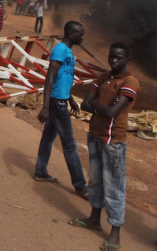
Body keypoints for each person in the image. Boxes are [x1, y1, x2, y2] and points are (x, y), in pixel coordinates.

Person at [69, 42, 139, 251]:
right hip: (95, 136)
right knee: (96, 180)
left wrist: (98, 106)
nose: (114, 61)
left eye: (119, 58)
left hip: (113, 141)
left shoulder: (130, 82)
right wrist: (103, 107)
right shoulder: (105, 78)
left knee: (115, 187)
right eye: (111, 57)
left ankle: (115, 234)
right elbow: (85, 104)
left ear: (128, 59)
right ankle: (94, 219)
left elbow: (111, 113)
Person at [33, 21, 88, 199]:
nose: (82, 37)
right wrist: (46, 106)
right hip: (56, 104)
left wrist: (70, 98)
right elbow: (50, 77)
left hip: (61, 100)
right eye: (80, 34)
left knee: (48, 137)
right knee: (70, 144)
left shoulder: (68, 51)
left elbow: (63, 79)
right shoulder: (60, 50)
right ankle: (80, 186)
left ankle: (40, 171)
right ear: (71, 33)